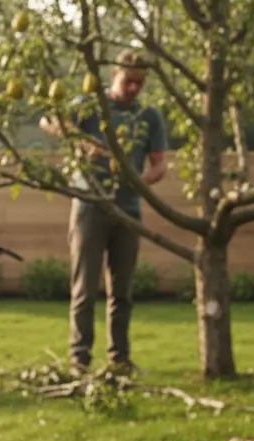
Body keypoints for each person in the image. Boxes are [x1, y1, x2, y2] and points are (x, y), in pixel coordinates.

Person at [39, 49, 169, 373]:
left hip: (128, 209)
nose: (134, 88)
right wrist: (84, 144)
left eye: (140, 83)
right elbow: (48, 121)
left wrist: (141, 180)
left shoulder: (148, 116)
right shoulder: (89, 105)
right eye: (129, 81)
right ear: (114, 75)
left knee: (122, 292)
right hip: (89, 205)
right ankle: (79, 360)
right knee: (84, 288)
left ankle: (119, 360)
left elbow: (159, 163)